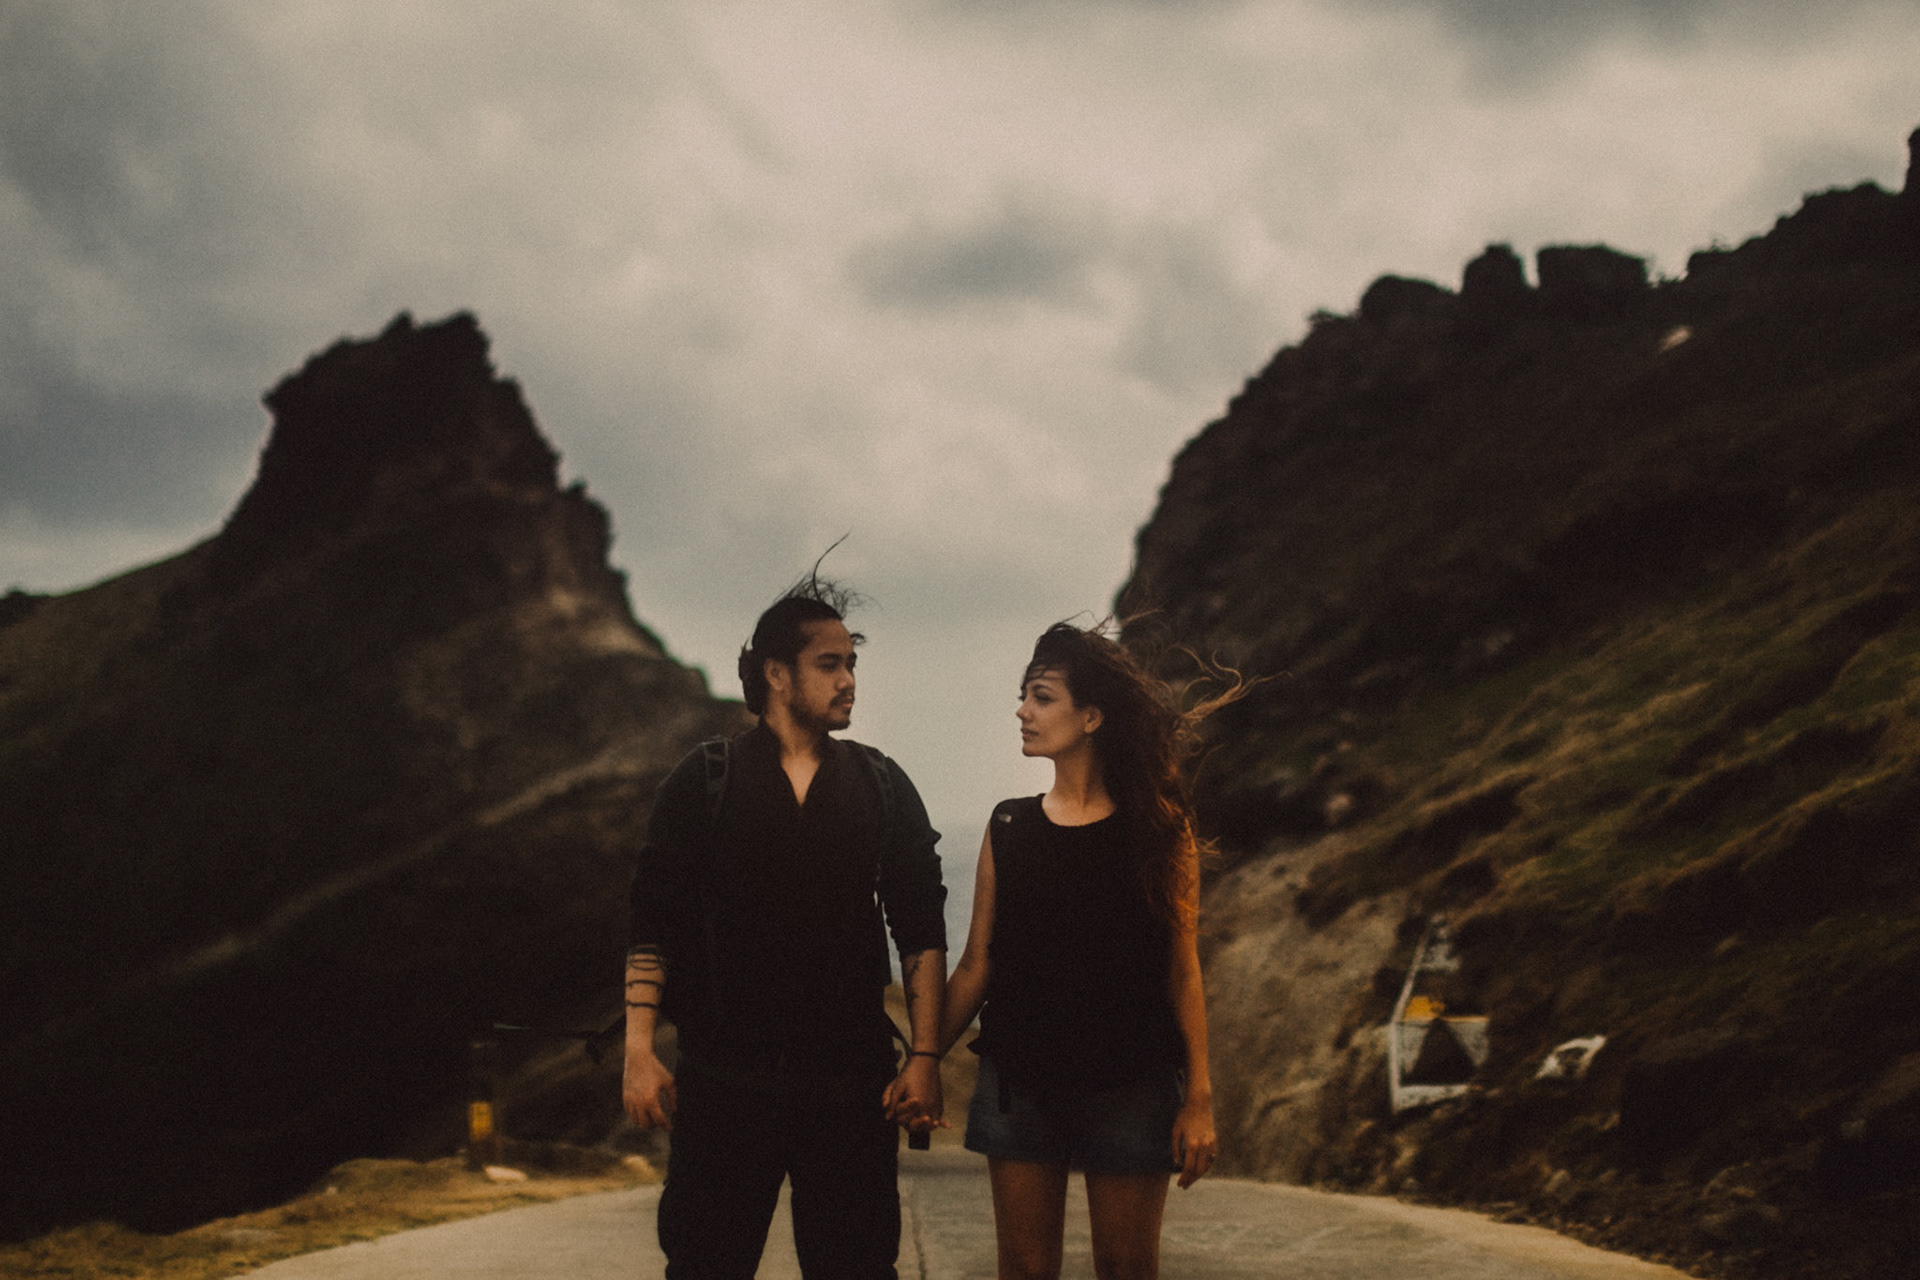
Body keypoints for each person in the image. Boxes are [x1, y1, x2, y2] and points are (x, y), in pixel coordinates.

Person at [623, 576, 947, 1279]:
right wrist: (639, 1050)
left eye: (852, 664)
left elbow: (920, 928)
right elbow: (654, 920)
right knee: (706, 1266)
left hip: (849, 1088)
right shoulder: (704, 780)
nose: (849, 681)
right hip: (722, 1084)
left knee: (857, 1268)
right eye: (829, 664)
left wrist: (924, 1058)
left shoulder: (882, 784)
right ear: (776, 674)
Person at [936, 620, 1239, 1280]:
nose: (1022, 710)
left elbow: (1181, 968)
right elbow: (976, 966)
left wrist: (1200, 1100)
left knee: (1128, 1269)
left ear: (1093, 715)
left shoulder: (1158, 828)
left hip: (1132, 1085)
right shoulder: (1009, 825)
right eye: (1024, 696)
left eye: (1041, 696)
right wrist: (922, 1059)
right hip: (1020, 1085)